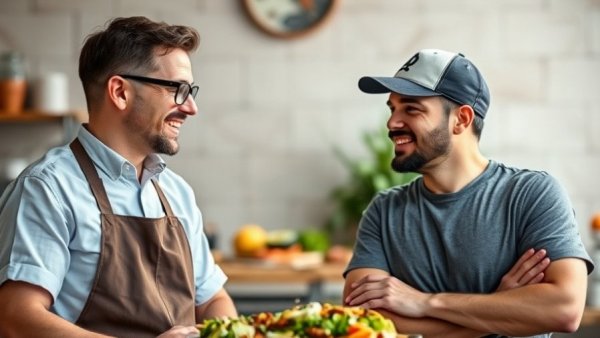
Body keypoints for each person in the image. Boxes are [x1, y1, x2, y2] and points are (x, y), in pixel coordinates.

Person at [0, 16, 237, 337]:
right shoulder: (48, 188)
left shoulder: (176, 192)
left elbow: (212, 301)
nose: (191, 107)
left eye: (190, 91)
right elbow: (16, 317)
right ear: (120, 92)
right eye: (178, 90)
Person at [343, 49, 594, 338]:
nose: (392, 123)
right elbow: (359, 322)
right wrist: (499, 306)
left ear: (461, 119)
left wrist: (424, 303)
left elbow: (564, 310)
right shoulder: (383, 210)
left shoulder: (532, 194)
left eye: (411, 109)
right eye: (392, 108)